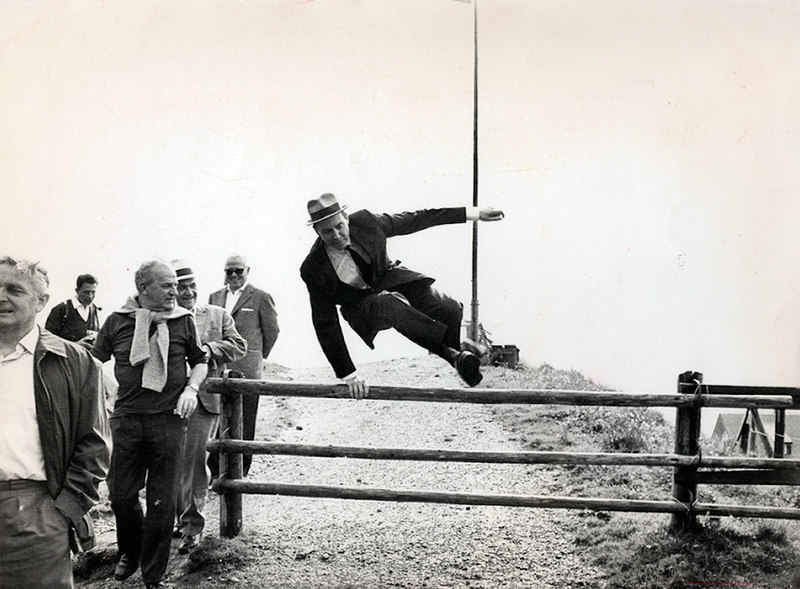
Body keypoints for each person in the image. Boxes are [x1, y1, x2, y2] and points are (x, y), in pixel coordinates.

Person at [300, 193, 505, 398]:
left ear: (346, 217)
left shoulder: (367, 222)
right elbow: (325, 323)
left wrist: (473, 213)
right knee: (389, 304)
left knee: (451, 308)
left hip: (391, 279)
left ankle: (457, 358)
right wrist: (349, 375)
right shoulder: (313, 269)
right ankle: (453, 354)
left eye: (339, 226)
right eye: (327, 232)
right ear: (317, 232)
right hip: (361, 308)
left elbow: (417, 218)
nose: (336, 235)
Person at [91, 260, 208, 589]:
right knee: (121, 494)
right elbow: (94, 360)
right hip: (126, 420)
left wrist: (191, 388)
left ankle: (153, 577)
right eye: (167, 285)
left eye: (175, 285)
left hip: (169, 422)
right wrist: (106, 387)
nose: (176, 291)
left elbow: (200, 361)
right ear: (143, 290)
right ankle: (130, 549)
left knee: (162, 500)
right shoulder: (117, 321)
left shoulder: (184, 321)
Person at [0, 257, 110, 588]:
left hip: (35, 516)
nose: (1, 297)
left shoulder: (74, 363)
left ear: (42, 301)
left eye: (14, 289)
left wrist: (61, 513)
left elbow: (95, 446)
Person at [171, 260, 246, 554]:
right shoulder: (162, 319)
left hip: (203, 400)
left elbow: (239, 346)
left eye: (192, 286)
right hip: (168, 403)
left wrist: (210, 349)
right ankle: (179, 521)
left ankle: (192, 528)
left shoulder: (217, 314)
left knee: (193, 464)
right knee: (174, 464)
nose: (188, 292)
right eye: (181, 287)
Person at [208, 254, 279, 477]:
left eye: (239, 270)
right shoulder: (215, 297)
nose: (234, 275)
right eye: (229, 271)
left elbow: (272, 331)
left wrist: (257, 357)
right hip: (219, 368)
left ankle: (241, 471)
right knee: (217, 419)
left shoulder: (260, 297)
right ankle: (215, 470)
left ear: (248, 270)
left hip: (247, 371)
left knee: (246, 420)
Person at [44, 273, 102, 348]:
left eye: (93, 292)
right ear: (77, 291)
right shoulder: (62, 309)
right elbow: (47, 340)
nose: (90, 296)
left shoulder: (94, 309)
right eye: (86, 292)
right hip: (66, 358)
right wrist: (75, 345)